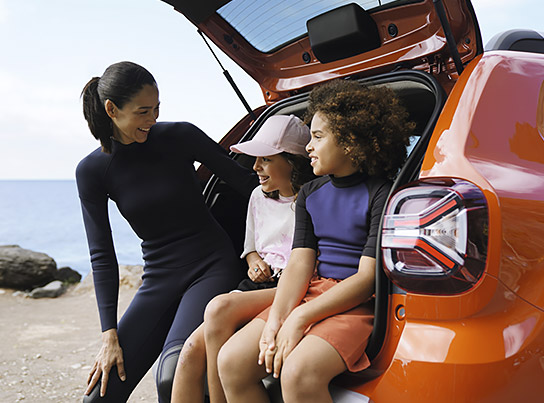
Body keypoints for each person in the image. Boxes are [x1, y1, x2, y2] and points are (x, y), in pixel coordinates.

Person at [216, 79, 415, 402]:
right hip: (311, 292)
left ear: (351, 142)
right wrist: (276, 321)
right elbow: (299, 265)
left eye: (318, 137)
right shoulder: (310, 193)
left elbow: (366, 280)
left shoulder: (382, 193)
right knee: (232, 362)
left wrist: (300, 317)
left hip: (354, 304)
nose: (308, 146)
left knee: (298, 373)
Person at [76, 61, 258, 403]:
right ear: (112, 110)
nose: (153, 119)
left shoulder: (180, 136)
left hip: (211, 265)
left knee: (172, 375)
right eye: (143, 111)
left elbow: (247, 185)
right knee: (99, 394)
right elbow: (102, 256)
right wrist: (108, 335)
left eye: (157, 108)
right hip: (159, 276)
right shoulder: (92, 171)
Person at [171, 115, 314, 403]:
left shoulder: (311, 201)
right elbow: (251, 248)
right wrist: (253, 263)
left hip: (290, 288)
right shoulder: (257, 198)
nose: (255, 167)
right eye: (255, 159)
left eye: (265, 159)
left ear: (292, 162)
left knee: (219, 307)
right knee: (188, 355)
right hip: (258, 287)